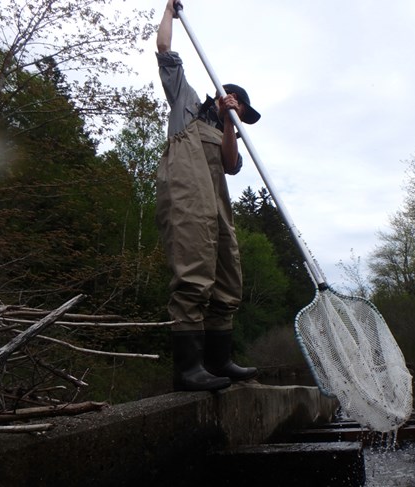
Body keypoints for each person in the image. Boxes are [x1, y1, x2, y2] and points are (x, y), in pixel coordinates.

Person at [155, 0, 259, 392]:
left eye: (243, 114)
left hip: (218, 208)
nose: (240, 115)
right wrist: (169, 11)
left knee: (228, 279)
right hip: (186, 199)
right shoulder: (187, 106)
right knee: (193, 277)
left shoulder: (228, 132)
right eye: (238, 108)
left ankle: (220, 362)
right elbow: (164, 50)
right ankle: (188, 369)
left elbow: (231, 166)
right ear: (224, 96)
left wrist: (231, 125)